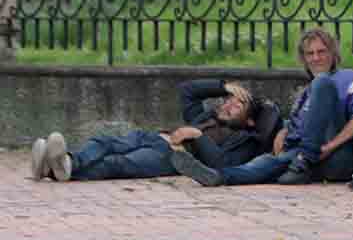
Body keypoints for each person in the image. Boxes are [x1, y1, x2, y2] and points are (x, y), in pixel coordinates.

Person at [171, 27, 353, 187]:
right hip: (306, 160)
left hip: (339, 156)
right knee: (265, 163)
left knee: (322, 82)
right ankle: (218, 176)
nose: (316, 58)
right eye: (310, 54)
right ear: (304, 59)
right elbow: (303, 125)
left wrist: (328, 147)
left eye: (321, 52)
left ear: (333, 54)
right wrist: (284, 131)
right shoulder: (306, 93)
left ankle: (304, 159)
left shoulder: (349, 77)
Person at [28, 78, 279, 182]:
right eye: (230, 100)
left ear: (249, 121)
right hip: (153, 136)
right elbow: (188, 91)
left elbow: (221, 163)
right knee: (104, 142)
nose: (229, 104)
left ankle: (54, 169)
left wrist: (197, 136)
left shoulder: (244, 139)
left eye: (238, 105)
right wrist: (223, 86)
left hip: (171, 155)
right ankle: (65, 162)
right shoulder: (206, 116)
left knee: (117, 163)